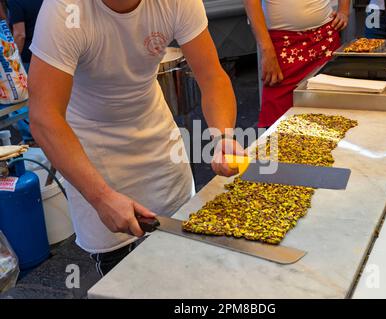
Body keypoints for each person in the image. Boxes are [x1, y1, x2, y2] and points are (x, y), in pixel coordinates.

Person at [28, 0, 243, 276]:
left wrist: (223, 136)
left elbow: (212, 76)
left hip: (156, 137)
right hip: (93, 151)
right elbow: (44, 116)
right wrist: (101, 196)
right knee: (125, 277)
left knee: (187, 261)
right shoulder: (64, 10)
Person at [244, 0, 351, 128]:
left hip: (325, 38)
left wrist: (344, 10)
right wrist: (266, 49)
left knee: (330, 112)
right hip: (282, 44)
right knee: (276, 120)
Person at [6, 0, 43, 143]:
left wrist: (14, 61)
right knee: (40, 99)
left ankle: (31, 136)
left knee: (19, 101)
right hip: (43, 56)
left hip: (27, 58)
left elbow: (20, 34)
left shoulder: (15, 2)